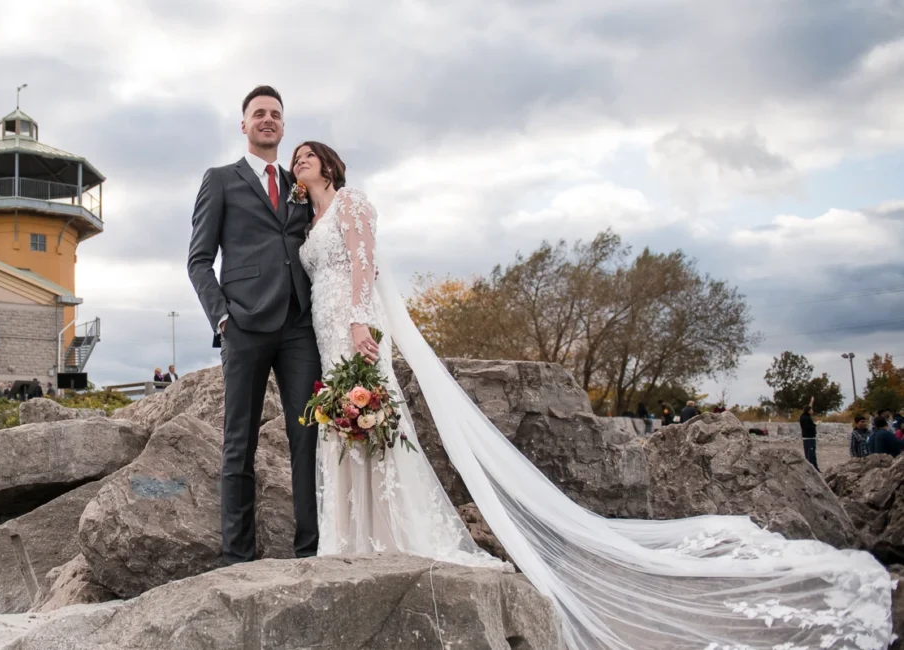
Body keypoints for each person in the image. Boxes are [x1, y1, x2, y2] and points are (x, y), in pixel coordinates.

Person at [284, 138, 891, 648]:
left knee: (375, 417)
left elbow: (366, 263)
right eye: (296, 159)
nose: (300, 162)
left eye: (309, 155)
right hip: (325, 328)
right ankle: (352, 535)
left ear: (332, 166)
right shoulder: (307, 222)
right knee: (345, 424)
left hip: (356, 325)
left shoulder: (352, 204)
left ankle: (391, 531)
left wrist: (363, 320)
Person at [187, 85, 321, 565]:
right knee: (238, 441)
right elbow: (199, 259)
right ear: (243, 125)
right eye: (259, 114)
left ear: (283, 126)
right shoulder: (220, 179)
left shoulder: (298, 185)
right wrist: (222, 317)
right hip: (243, 322)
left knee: (308, 436)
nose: (268, 120)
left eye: (276, 115)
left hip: (299, 325)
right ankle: (237, 555)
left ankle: (310, 548)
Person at [799, 402, 818, 471]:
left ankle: (815, 468)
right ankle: (810, 469)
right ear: (808, 410)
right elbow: (807, 427)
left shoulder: (807, 416)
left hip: (811, 437)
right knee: (810, 454)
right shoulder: (805, 418)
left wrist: (812, 401)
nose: (812, 411)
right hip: (808, 438)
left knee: (812, 454)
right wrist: (814, 425)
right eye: (811, 410)